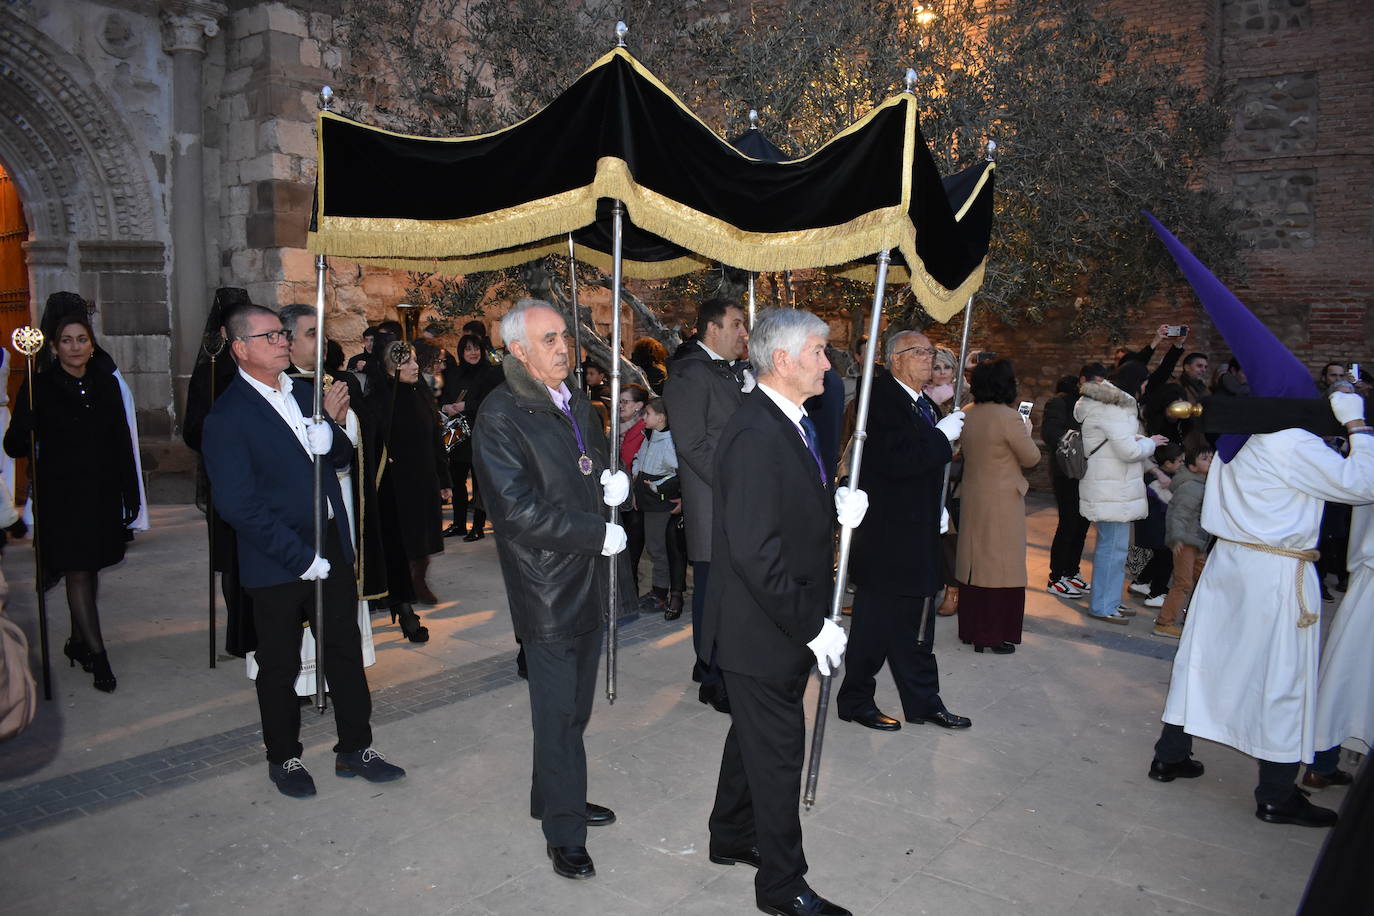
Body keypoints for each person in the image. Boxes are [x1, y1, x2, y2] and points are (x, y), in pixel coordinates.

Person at [1144, 211, 1374, 828]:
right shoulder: (1293, 445)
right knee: (1282, 678)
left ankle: (1172, 754)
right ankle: (1276, 794)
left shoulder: (1236, 441)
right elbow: (1363, 484)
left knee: (1205, 658)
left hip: (1231, 564)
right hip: (1277, 577)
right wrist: (1354, 423)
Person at [201, 304, 404, 797]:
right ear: (241, 349)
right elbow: (236, 505)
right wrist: (299, 558)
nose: (282, 341)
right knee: (279, 663)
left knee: (344, 650)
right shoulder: (227, 416)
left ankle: (355, 747)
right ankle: (285, 758)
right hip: (276, 558)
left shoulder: (306, 393)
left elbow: (339, 458)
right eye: (269, 336)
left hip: (330, 543)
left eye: (281, 333)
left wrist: (329, 435)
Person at [701, 307, 866, 916]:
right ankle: (781, 886)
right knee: (777, 755)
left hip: (778, 618)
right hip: (763, 626)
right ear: (782, 360)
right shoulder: (754, 433)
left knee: (752, 736)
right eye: (820, 352)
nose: (828, 362)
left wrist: (832, 508)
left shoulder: (790, 420)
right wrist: (811, 624)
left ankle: (729, 834)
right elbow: (753, 550)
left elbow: (784, 510)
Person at [472, 299, 633, 880]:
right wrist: (597, 532)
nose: (564, 347)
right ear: (518, 350)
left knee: (574, 708)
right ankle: (563, 831)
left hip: (589, 575)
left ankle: (553, 794)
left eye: (564, 336)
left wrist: (617, 486)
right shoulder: (501, 413)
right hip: (547, 585)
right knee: (560, 712)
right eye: (548, 340)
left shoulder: (576, 402)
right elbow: (516, 512)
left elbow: (589, 470)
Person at [841, 330, 970, 729]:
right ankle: (856, 700)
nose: (930, 359)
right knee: (872, 628)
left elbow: (925, 468)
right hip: (886, 537)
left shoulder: (920, 402)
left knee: (917, 625)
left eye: (933, 353)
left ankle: (923, 701)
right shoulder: (878, 400)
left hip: (916, 531)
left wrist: (939, 508)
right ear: (896, 358)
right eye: (922, 352)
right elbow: (899, 461)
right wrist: (940, 437)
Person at [4, 315, 140, 693]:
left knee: (91, 565)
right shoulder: (38, 386)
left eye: (82, 339)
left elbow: (120, 441)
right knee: (78, 569)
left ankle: (78, 642)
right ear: (53, 348)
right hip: (61, 494)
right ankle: (98, 655)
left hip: (100, 490)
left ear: (92, 345)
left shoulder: (106, 385)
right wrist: (26, 423)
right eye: (66, 340)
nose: (75, 346)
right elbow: (13, 447)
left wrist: (130, 491)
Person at [662, 296, 751, 712]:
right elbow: (692, 444)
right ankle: (712, 677)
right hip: (712, 497)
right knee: (713, 590)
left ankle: (712, 663)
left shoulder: (730, 372)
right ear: (712, 329)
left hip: (731, 498)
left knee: (726, 589)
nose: (743, 333)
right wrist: (735, 483)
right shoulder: (689, 373)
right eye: (737, 324)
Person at [184, 288, 258, 657]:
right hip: (226, 477)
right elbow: (192, 431)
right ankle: (238, 633)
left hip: (263, 476)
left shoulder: (263, 367)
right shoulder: (210, 374)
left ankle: (259, 624)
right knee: (232, 557)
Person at [365, 338, 452, 635]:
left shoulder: (420, 392)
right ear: (391, 369)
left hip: (423, 478)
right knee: (399, 541)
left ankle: (417, 583)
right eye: (409, 362)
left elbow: (434, 436)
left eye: (415, 360)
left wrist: (444, 478)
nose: (416, 366)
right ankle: (400, 600)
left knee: (423, 537)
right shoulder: (380, 399)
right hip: (395, 484)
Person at [953, 359, 1041, 653]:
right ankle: (992, 634)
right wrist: (1026, 431)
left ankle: (971, 629)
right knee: (1001, 569)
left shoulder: (968, 412)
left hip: (973, 494)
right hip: (1003, 500)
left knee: (973, 564)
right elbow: (1032, 458)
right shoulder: (1009, 417)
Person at [1075, 360, 1168, 624]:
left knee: (1113, 549)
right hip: (1113, 487)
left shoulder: (1105, 404)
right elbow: (1128, 451)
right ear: (1136, 382)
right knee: (1112, 550)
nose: (1146, 388)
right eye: (1145, 382)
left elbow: (1119, 442)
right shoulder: (1116, 407)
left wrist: (1140, 441)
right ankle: (1103, 605)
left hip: (1111, 485)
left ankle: (1111, 600)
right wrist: (1150, 442)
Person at [439, 333, 501, 540]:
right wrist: (446, 406)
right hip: (458, 436)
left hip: (480, 433)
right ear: (461, 352)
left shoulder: (490, 373)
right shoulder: (455, 373)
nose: (472, 353)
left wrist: (468, 406)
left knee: (479, 483)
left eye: (476, 348)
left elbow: (493, 401)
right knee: (457, 481)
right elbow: (446, 396)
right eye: (468, 349)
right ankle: (458, 524)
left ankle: (478, 526)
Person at [1041, 370, 1095, 598]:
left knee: (1081, 524)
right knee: (1069, 523)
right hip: (1067, 472)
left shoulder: (1089, 405)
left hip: (1086, 471)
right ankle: (1057, 576)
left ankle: (1071, 570)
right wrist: (1076, 445)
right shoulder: (1059, 403)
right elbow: (1051, 434)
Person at [632, 397, 687, 619]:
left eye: (647, 413)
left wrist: (656, 488)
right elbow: (639, 457)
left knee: (658, 549)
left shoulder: (670, 442)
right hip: (647, 501)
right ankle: (659, 591)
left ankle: (660, 593)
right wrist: (637, 475)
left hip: (659, 504)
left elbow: (679, 472)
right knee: (655, 547)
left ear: (661, 417)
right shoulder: (650, 437)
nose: (643, 417)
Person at [1153, 446, 1212, 638]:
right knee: (1183, 583)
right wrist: (1176, 538)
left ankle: (1191, 619)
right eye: (1205, 458)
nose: (1211, 461)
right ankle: (1164, 622)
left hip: (1197, 542)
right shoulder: (1192, 487)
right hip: (1186, 542)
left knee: (1205, 579)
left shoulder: (1204, 485)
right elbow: (1177, 514)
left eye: (1212, 457)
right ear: (1193, 466)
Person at [1129, 443, 1182, 607]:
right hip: (1157, 528)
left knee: (1160, 557)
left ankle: (1141, 582)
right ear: (1167, 464)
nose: (1183, 464)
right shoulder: (1159, 482)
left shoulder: (1157, 478)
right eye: (1180, 461)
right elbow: (1173, 501)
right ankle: (1156, 593)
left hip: (1154, 528)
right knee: (1166, 559)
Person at [615, 384, 650, 599]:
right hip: (619, 496)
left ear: (639, 406)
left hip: (636, 498)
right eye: (619, 401)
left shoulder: (643, 429)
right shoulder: (618, 427)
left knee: (632, 552)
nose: (620, 405)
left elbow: (630, 461)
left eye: (624, 401)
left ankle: (631, 595)